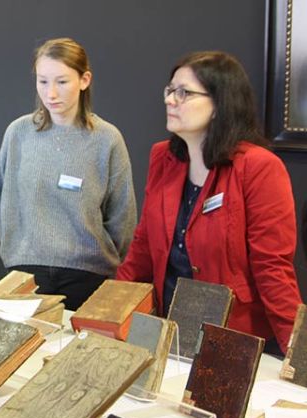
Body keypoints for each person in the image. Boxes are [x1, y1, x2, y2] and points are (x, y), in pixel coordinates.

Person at [117, 51, 303, 355]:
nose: (170, 100)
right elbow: (143, 246)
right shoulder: (163, 157)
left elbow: (273, 268)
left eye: (184, 93)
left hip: (235, 342)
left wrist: (298, 358)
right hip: (170, 334)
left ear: (220, 104)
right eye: (170, 90)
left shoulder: (258, 167)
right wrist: (108, 316)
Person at [0, 38, 137, 311]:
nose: (51, 94)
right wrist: (17, 251)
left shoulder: (107, 139)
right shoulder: (19, 133)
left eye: (61, 82)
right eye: (43, 81)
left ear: (84, 80)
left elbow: (123, 215)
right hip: (26, 271)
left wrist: (102, 258)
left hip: (88, 275)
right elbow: (3, 198)